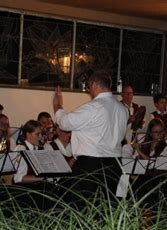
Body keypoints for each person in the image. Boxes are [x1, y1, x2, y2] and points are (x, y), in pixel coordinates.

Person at [53, 70, 128, 198]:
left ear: (94, 84)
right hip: (114, 164)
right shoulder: (123, 109)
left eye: (88, 86)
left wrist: (57, 105)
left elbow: (64, 123)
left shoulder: (93, 107)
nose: (89, 90)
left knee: (84, 205)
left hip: (92, 164)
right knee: (107, 206)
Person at [13, 120, 44, 184]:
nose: (41, 137)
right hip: (25, 189)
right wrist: (42, 178)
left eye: (41, 134)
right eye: (37, 134)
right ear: (28, 134)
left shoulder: (39, 148)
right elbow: (18, 178)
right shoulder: (21, 149)